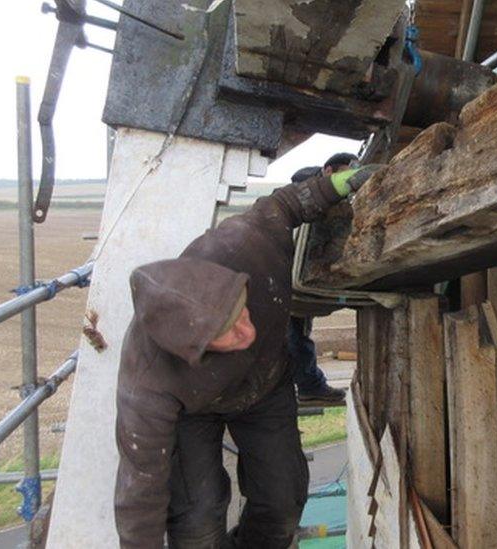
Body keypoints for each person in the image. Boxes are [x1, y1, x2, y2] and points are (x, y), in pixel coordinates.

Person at [114, 165, 377, 548]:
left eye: (244, 312)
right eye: (230, 333)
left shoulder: (243, 245)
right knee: (197, 523)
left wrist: (338, 183)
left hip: (265, 388)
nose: (248, 331)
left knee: (282, 503)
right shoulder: (148, 383)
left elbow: (282, 206)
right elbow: (140, 491)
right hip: (193, 413)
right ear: (195, 348)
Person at [288, 152, 358, 406]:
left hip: (305, 278)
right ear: (328, 170)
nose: (347, 181)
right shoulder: (308, 188)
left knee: (296, 332)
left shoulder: (337, 200)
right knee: (291, 335)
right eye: (343, 174)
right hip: (290, 276)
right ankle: (308, 386)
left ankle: (308, 385)